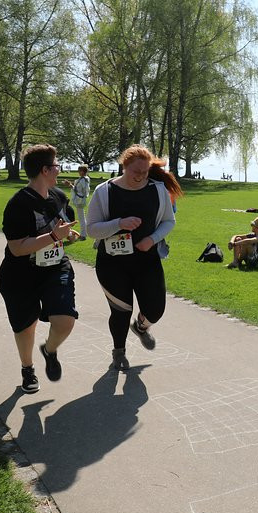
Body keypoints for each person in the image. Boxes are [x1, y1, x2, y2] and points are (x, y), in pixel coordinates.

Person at [86, 144, 182, 372]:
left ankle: (140, 327)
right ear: (124, 166)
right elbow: (91, 229)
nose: (140, 177)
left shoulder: (157, 190)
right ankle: (118, 353)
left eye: (144, 172)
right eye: (135, 172)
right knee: (121, 311)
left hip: (147, 261)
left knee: (156, 309)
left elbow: (169, 221)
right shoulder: (104, 191)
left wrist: (152, 238)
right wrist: (118, 223)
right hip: (112, 263)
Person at [0, 144, 80, 393]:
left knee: (65, 320)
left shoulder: (59, 197)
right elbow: (18, 248)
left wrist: (68, 236)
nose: (58, 169)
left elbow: (64, 229)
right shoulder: (18, 204)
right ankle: (27, 369)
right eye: (56, 165)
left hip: (55, 268)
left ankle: (50, 350)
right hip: (21, 274)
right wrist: (55, 236)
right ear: (45, 170)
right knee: (25, 326)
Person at [65, 165, 91, 240]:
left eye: (79, 170)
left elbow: (85, 191)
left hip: (80, 200)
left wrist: (81, 196)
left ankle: (83, 235)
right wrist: (71, 185)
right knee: (82, 216)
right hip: (79, 199)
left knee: (81, 217)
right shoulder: (83, 179)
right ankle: (84, 233)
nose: (78, 172)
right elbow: (77, 190)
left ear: (83, 171)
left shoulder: (84, 180)